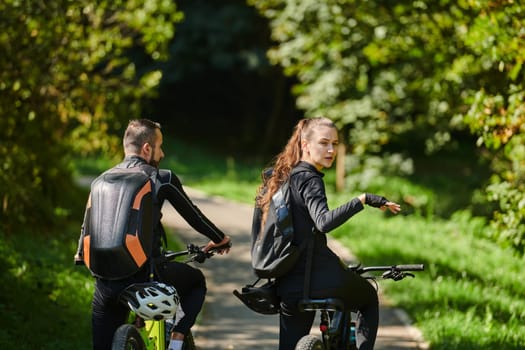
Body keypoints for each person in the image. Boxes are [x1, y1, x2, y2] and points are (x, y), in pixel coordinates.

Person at [74, 119, 231, 350]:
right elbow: (193, 216)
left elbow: (86, 227)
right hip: (148, 276)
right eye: (160, 146)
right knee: (197, 282)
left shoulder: (101, 180)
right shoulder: (161, 178)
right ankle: (177, 341)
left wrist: (80, 255)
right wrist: (219, 239)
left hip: (105, 284)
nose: (163, 153)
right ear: (147, 148)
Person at [256, 117, 401, 350]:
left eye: (335, 143)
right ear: (305, 144)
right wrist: (362, 200)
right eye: (324, 143)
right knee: (368, 298)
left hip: (287, 284)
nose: (331, 150)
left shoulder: (282, 177)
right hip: (320, 280)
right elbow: (323, 222)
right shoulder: (310, 179)